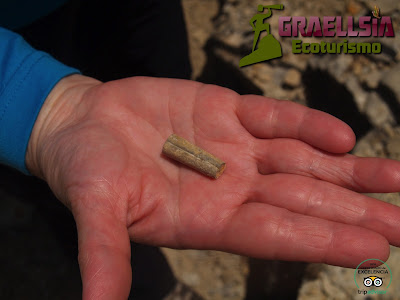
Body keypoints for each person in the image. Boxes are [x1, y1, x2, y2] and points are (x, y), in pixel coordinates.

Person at [2, 1, 400, 300]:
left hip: (136, 12)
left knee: (162, 70)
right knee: (85, 194)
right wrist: (43, 108)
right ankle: (156, 286)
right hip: (23, 23)